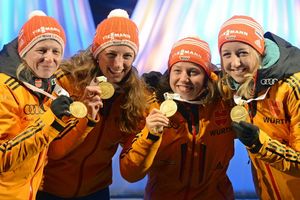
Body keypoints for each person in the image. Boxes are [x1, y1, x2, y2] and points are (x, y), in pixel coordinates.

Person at [35, 9, 151, 199]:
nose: (118, 64)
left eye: (127, 56)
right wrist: (85, 117)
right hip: (49, 189)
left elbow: (132, 172)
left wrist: (152, 136)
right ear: (97, 53)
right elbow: (53, 151)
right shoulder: (65, 82)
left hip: (95, 192)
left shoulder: (133, 97)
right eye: (111, 54)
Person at [0, 11, 101, 200]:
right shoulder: (4, 89)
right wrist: (49, 121)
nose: (49, 58)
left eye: (56, 51)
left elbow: (54, 152)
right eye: (41, 50)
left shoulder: (48, 90)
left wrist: (85, 117)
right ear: (24, 51)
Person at [120, 36, 236, 200]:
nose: (183, 79)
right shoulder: (151, 106)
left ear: (206, 76)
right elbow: (130, 173)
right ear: (170, 72)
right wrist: (150, 135)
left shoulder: (225, 102)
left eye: (193, 72)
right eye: (177, 70)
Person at [217, 15, 300, 199]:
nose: (235, 63)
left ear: (259, 51)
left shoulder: (292, 87)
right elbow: (197, 82)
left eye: (242, 53)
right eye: (227, 54)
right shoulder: (235, 84)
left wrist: (259, 143)